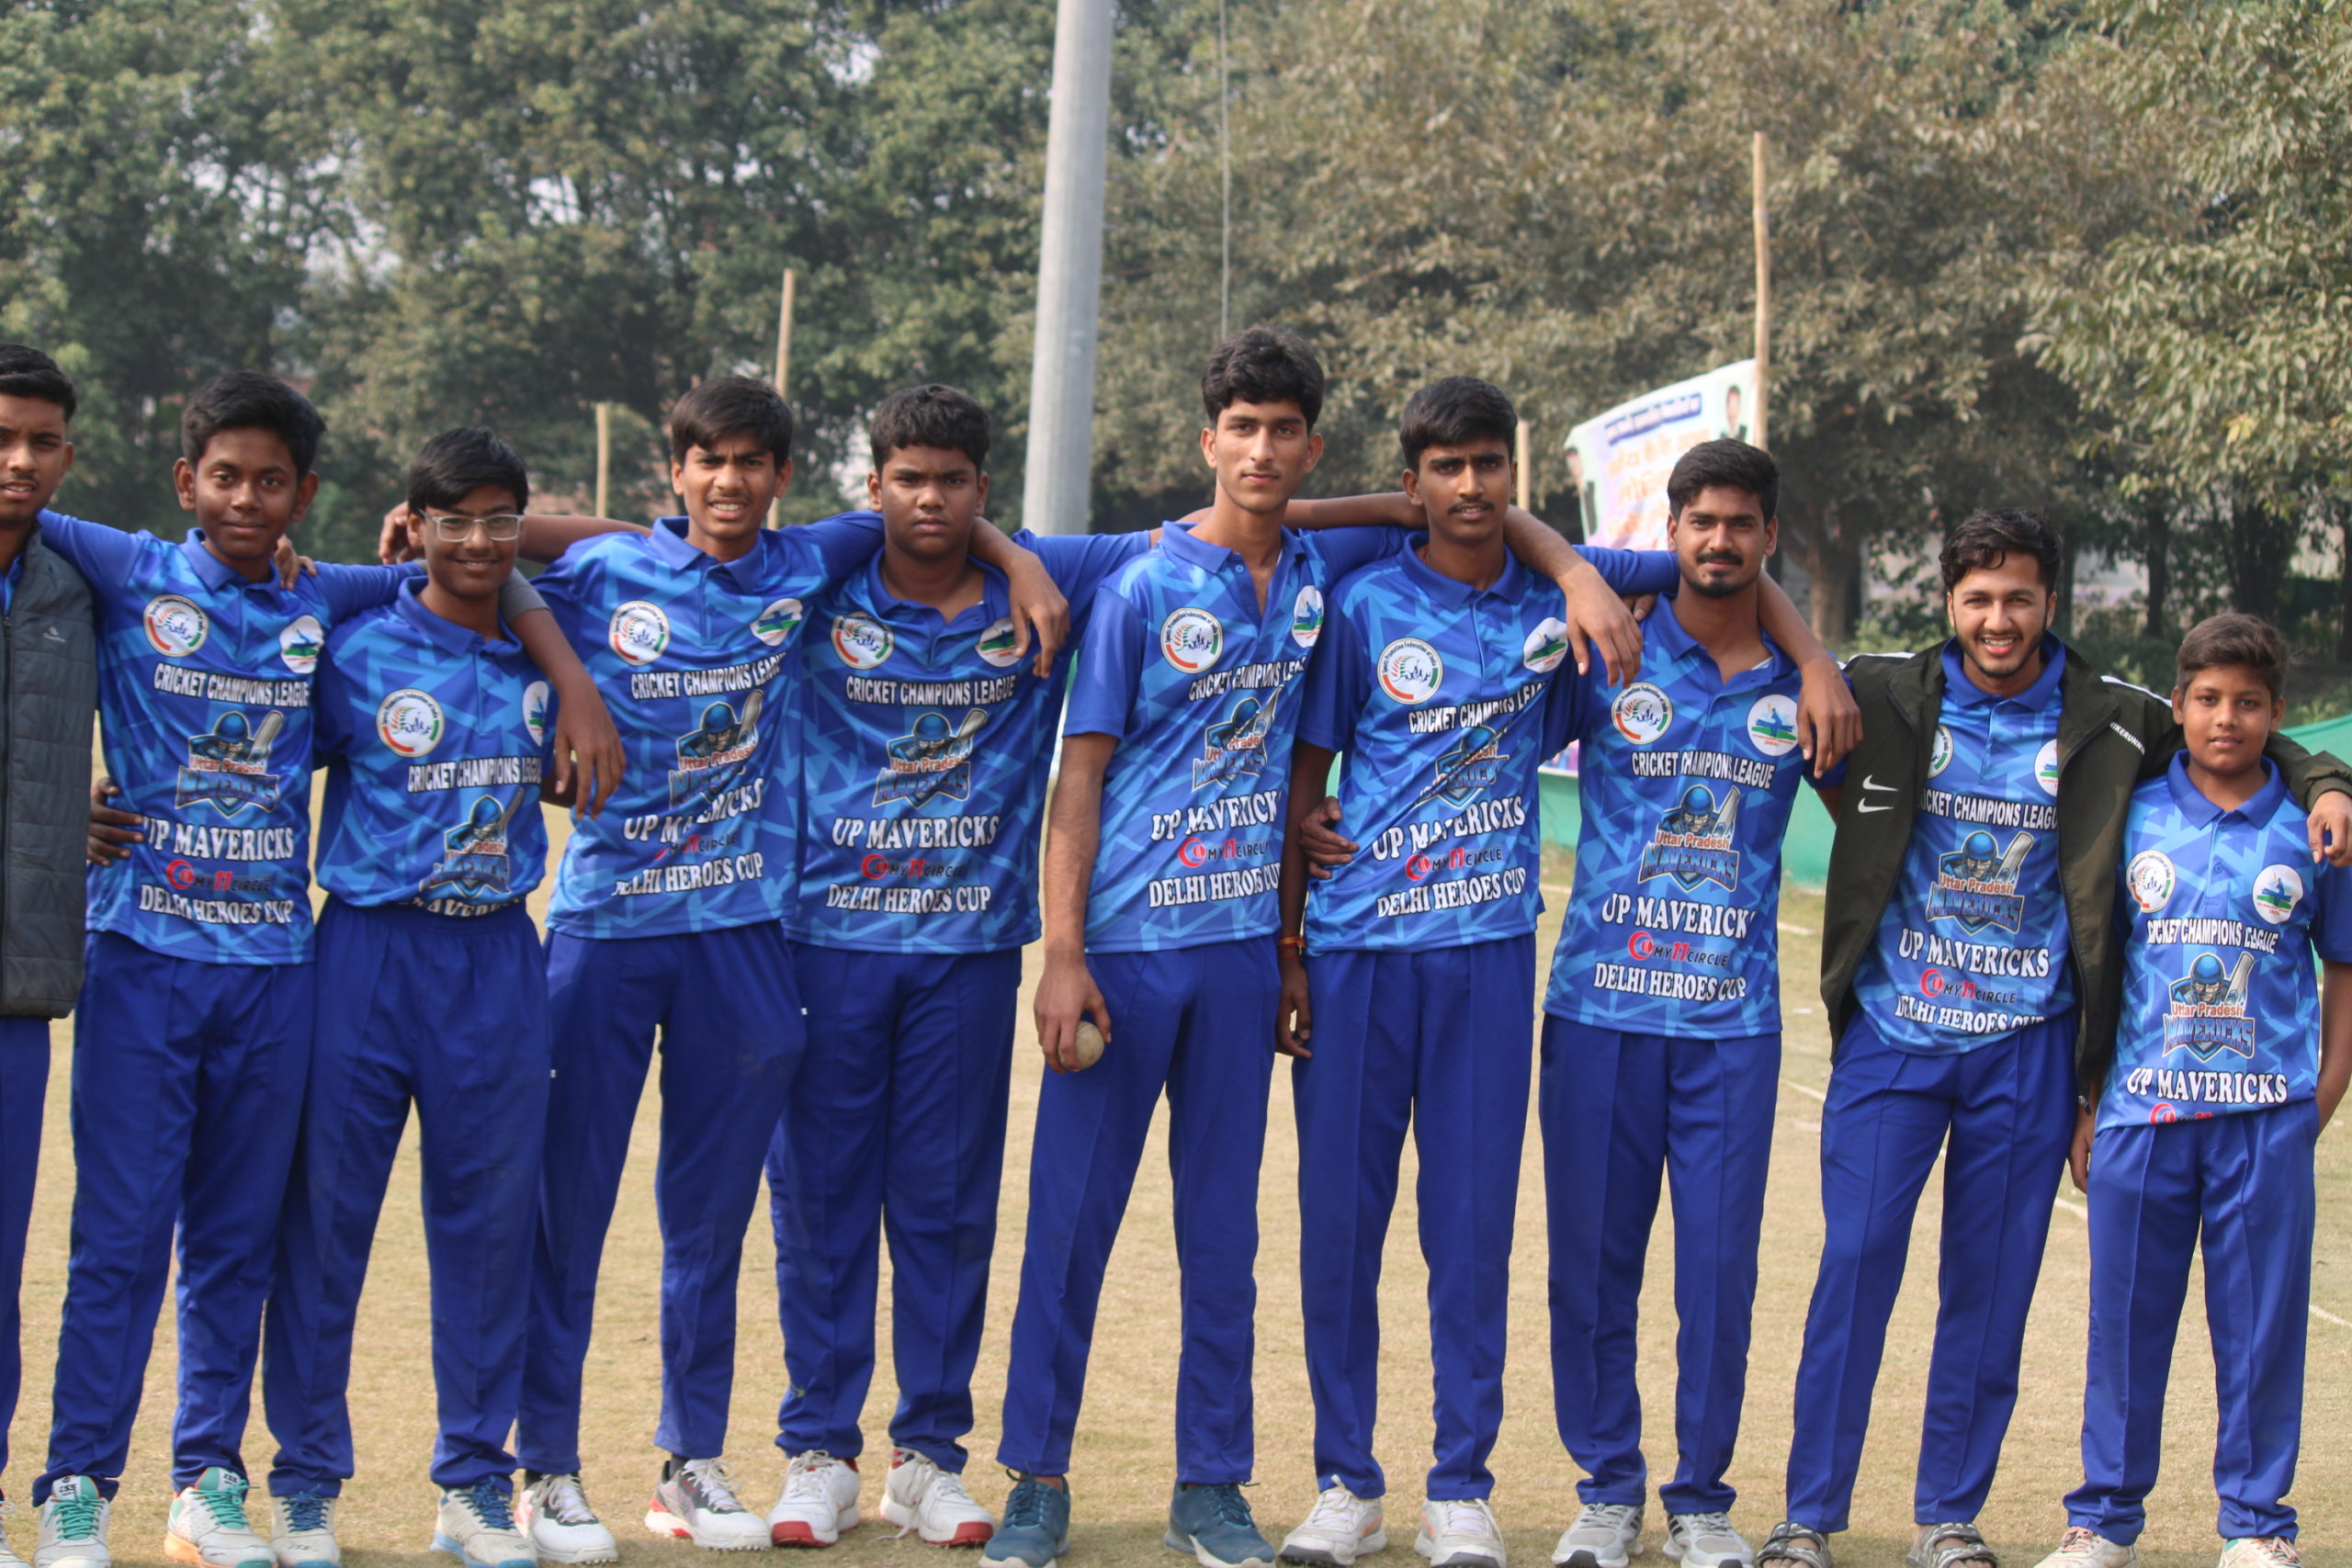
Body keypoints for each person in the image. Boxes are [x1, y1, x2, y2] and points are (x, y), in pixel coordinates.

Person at [983, 329, 1659, 1568]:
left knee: (1224, 1238)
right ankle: (1035, 1476)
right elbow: (1076, 783)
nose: (1262, 448)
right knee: (1070, 1222)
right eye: (1240, 427)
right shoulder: (1139, 583)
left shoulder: (1317, 575)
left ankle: (1214, 1482)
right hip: (1127, 955)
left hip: (1246, 950)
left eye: (1284, 429)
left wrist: (1564, 562)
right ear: (1208, 440)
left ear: (1312, 445)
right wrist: (1062, 948)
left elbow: (1645, 556)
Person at [40, 374, 608, 1568]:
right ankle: (84, 1484)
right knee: (127, 1235)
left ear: (308, 495)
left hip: (283, 963)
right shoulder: (133, 566)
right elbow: (20, 501)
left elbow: (490, 564)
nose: (247, 498)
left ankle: (229, 1477)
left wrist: (570, 675)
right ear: (184, 481)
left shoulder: (337, 599)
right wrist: (59, 797)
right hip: (154, 951)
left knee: (250, 1241)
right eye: (225, 476)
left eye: (272, 479)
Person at [509, 377, 1068, 1562]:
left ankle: (702, 1457)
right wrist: (565, 684)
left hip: (741, 938)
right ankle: (542, 1466)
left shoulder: (805, 561)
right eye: (708, 461)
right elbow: (483, 562)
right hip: (605, 930)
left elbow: (960, 513)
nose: (730, 481)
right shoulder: (613, 567)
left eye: (754, 461)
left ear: (785, 477)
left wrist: (1016, 558)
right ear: (675, 472)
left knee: (712, 1220)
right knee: (572, 1209)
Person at [1755, 512, 2352, 1568]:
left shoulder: (2114, 717)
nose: (1998, 619)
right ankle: (1809, 1515)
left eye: (2019, 598)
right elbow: (1767, 641)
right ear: (1949, 600)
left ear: (2051, 603)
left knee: (1988, 1293)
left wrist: (2327, 781)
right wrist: (1809, 662)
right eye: (1978, 598)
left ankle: (1948, 1517)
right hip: (1894, 1033)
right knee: (1851, 1266)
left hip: (2028, 1046)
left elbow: (2245, 733)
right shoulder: (1883, 692)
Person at [1269, 378, 1703, 1568]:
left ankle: (1462, 1484)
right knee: (1340, 1227)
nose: (1469, 487)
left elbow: (1711, 565)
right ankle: (1346, 1480)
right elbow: (1308, 789)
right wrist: (1293, 949)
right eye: (1445, 468)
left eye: (1488, 467)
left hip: (1488, 960)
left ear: (1514, 479)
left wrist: (1569, 570)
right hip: (1357, 960)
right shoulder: (1359, 609)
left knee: (1469, 1233)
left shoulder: (1556, 615)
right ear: (1411, 482)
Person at [761, 386, 1154, 1551]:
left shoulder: (1055, 577)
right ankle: (817, 1451)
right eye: (906, 480)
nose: (928, 501)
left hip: (969, 959)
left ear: (986, 486)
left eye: (953, 483)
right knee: (820, 1201)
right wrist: (491, 539)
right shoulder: (821, 575)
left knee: (944, 1208)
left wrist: (1017, 561)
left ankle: (927, 1456)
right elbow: (655, 544)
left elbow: (1231, 518)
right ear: (873, 485)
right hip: (821, 946)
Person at [255, 429, 577, 1568]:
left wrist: (560, 649)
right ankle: (303, 1484)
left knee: (489, 1232)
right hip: (368, 955)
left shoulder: (547, 655)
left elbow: (622, 547)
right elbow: (244, 758)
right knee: (327, 1222)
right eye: (455, 521)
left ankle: (474, 1486)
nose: (479, 542)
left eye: (501, 520)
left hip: (496, 958)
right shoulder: (354, 650)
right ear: (416, 525)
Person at [1539, 441, 1849, 1568]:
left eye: (1740, 525)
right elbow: (1473, 749)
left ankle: (1702, 1498)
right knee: (1593, 1266)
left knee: (1717, 1272)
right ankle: (1607, 1490)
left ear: (1768, 540)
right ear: (1671, 531)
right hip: (1596, 1012)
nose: (1718, 541)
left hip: (1731, 1029)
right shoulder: (1605, 647)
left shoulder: (1804, 690)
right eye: (1699, 522)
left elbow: (1902, 808)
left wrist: (1813, 655)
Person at [2029, 615, 2350, 1568]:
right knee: (2124, 1327)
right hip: (2140, 1115)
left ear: (2277, 715)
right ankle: (2102, 1523)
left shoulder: (2313, 825)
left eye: (2248, 703)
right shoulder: (2129, 810)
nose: (2226, 719)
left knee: (2258, 1330)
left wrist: (2321, 1095)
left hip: (2266, 1119)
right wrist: (2086, 1104)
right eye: (2207, 699)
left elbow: (2342, 965)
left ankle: (2255, 1527)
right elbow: (2094, 962)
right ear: (2178, 706)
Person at [0, 345, 97, 1568]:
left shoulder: (83, 578)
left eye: (39, 441)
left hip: (14, 984)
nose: (15, 461)